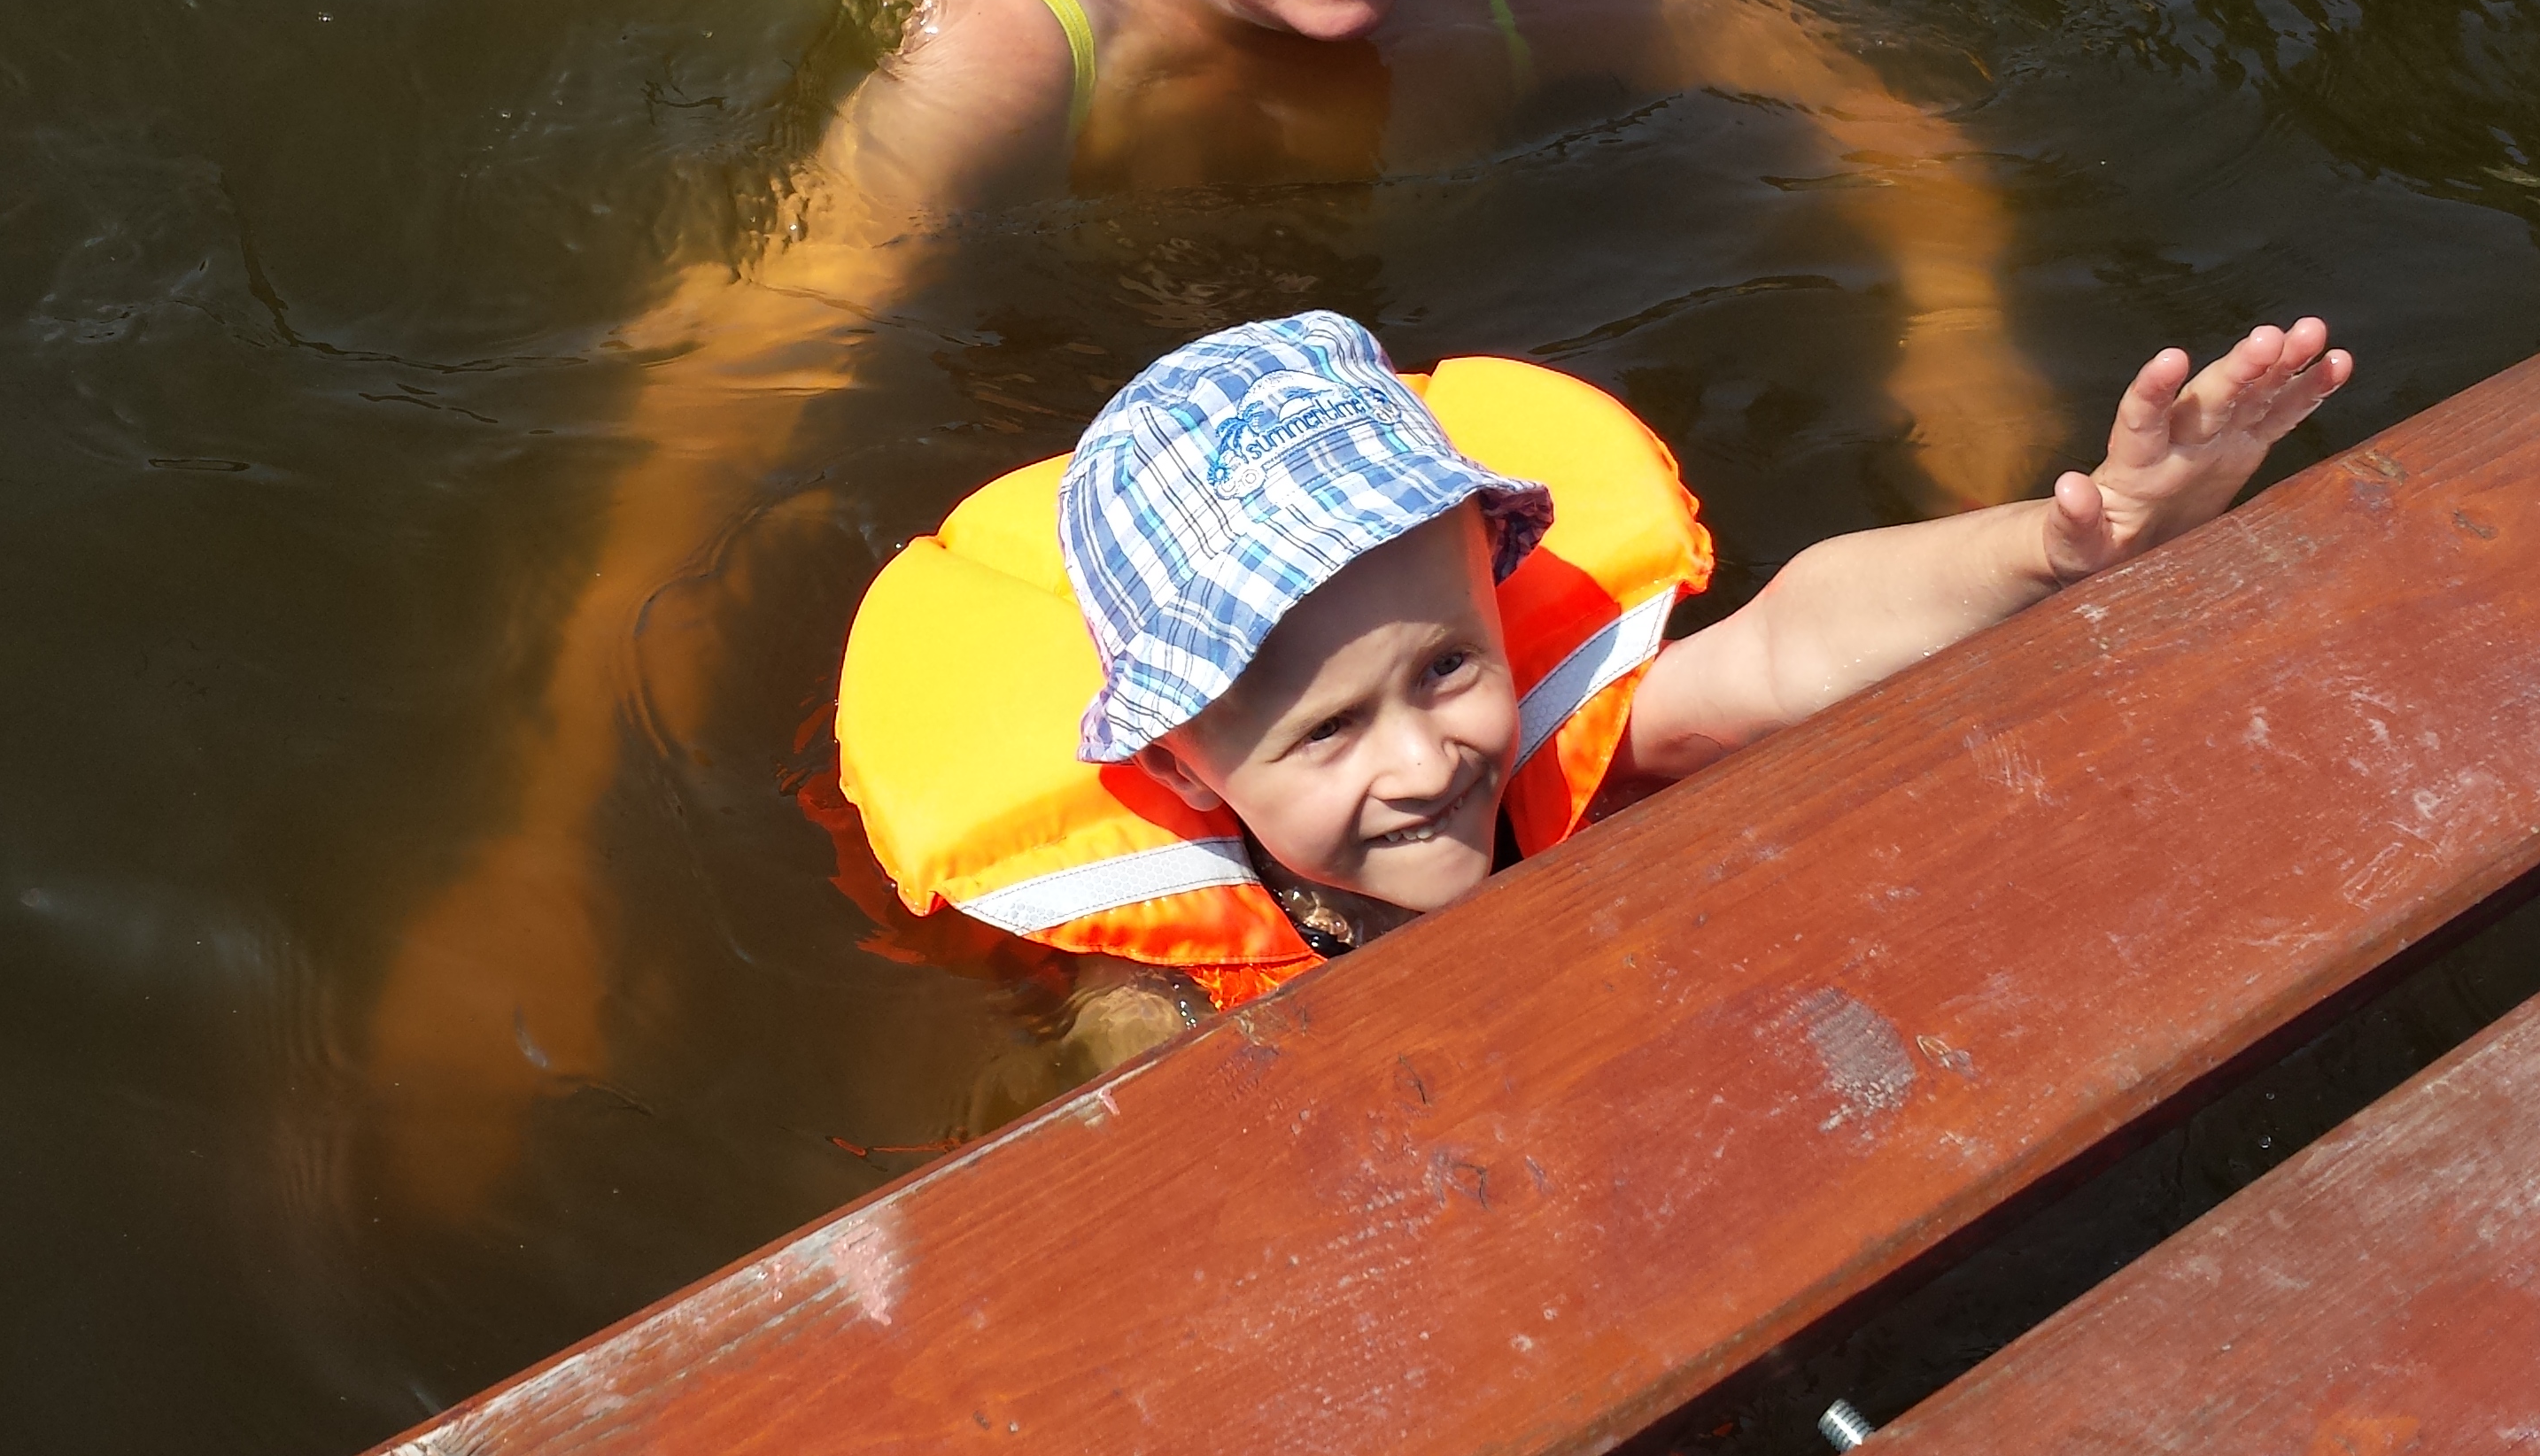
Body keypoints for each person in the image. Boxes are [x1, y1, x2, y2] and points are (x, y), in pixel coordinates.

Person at [363, 0, 2065, 1220]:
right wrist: (540, 831)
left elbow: (1882, 123)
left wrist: (1962, 348)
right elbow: (721, 388)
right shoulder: (1008, 50)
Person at [838, 310, 2350, 1046]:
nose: (1427, 761)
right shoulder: (1159, 995)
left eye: (1447, 664)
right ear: (1180, 765)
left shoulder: (1561, 766)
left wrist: (2068, 545)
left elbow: (1792, 639)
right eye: (1330, 728)